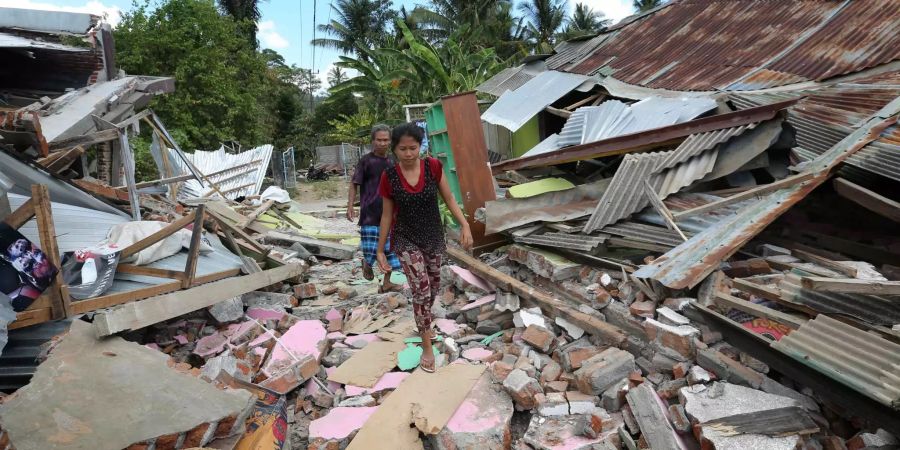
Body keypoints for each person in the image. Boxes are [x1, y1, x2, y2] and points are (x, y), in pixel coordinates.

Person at [377, 122, 472, 373]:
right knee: (420, 291)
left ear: (420, 146)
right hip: (405, 239)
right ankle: (426, 344)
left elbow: (449, 198)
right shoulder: (389, 177)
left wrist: (465, 225)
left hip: (432, 236)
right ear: (394, 150)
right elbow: (386, 216)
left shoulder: (433, 167)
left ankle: (424, 321)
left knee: (433, 287)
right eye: (403, 149)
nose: (408, 154)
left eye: (413, 148)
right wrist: (379, 250)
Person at [348, 124, 402, 292]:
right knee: (371, 249)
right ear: (372, 141)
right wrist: (350, 206)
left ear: (390, 141)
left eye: (386, 140)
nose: (382, 143)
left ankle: (387, 282)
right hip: (370, 213)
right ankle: (367, 263)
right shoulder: (366, 161)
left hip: (391, 213)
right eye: (379, 140)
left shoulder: (394, 160)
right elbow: (354, 183)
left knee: (391, 250)